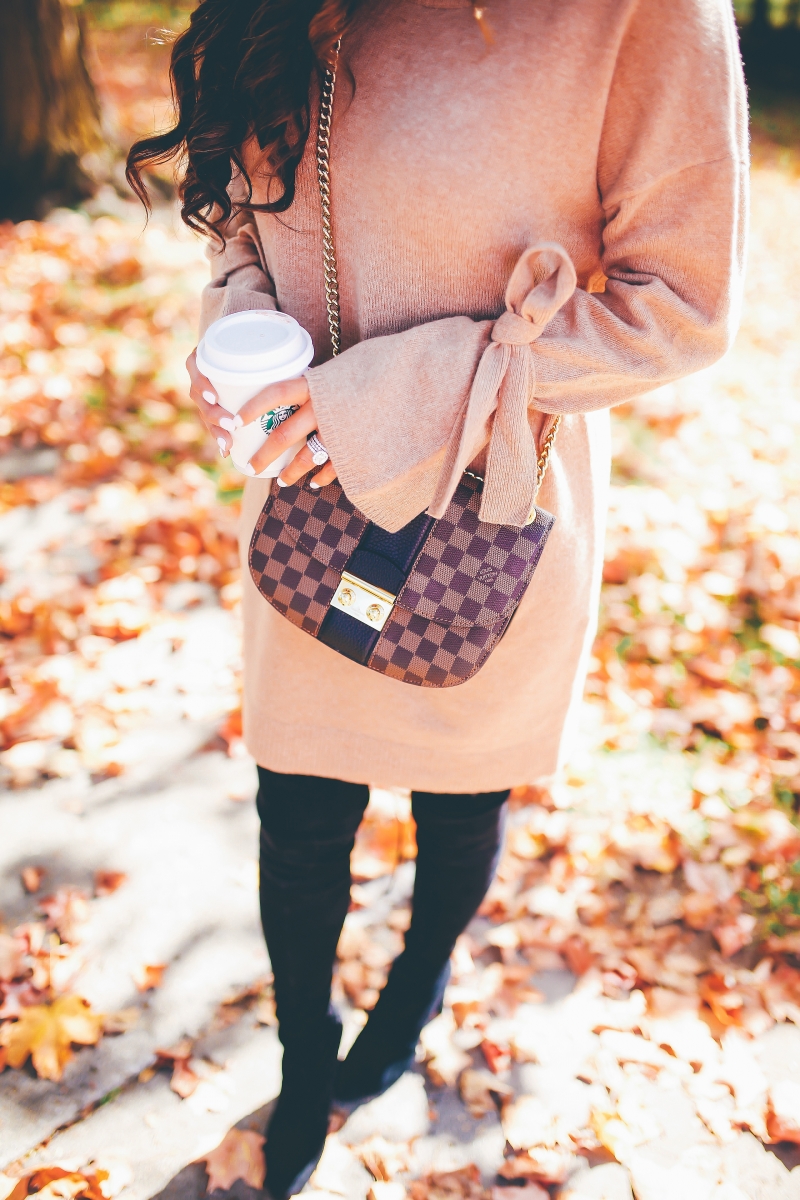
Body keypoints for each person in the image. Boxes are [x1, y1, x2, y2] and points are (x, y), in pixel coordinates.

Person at [127, 0, 748, 1194]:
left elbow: (678, 306)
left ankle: (409, 1006)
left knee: (460, 802)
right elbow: (240, 235)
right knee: (298, 807)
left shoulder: (644, 16)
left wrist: (383, 399)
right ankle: (308, 1068)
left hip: (495, 510)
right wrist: (237, 330)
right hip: (303, 495)